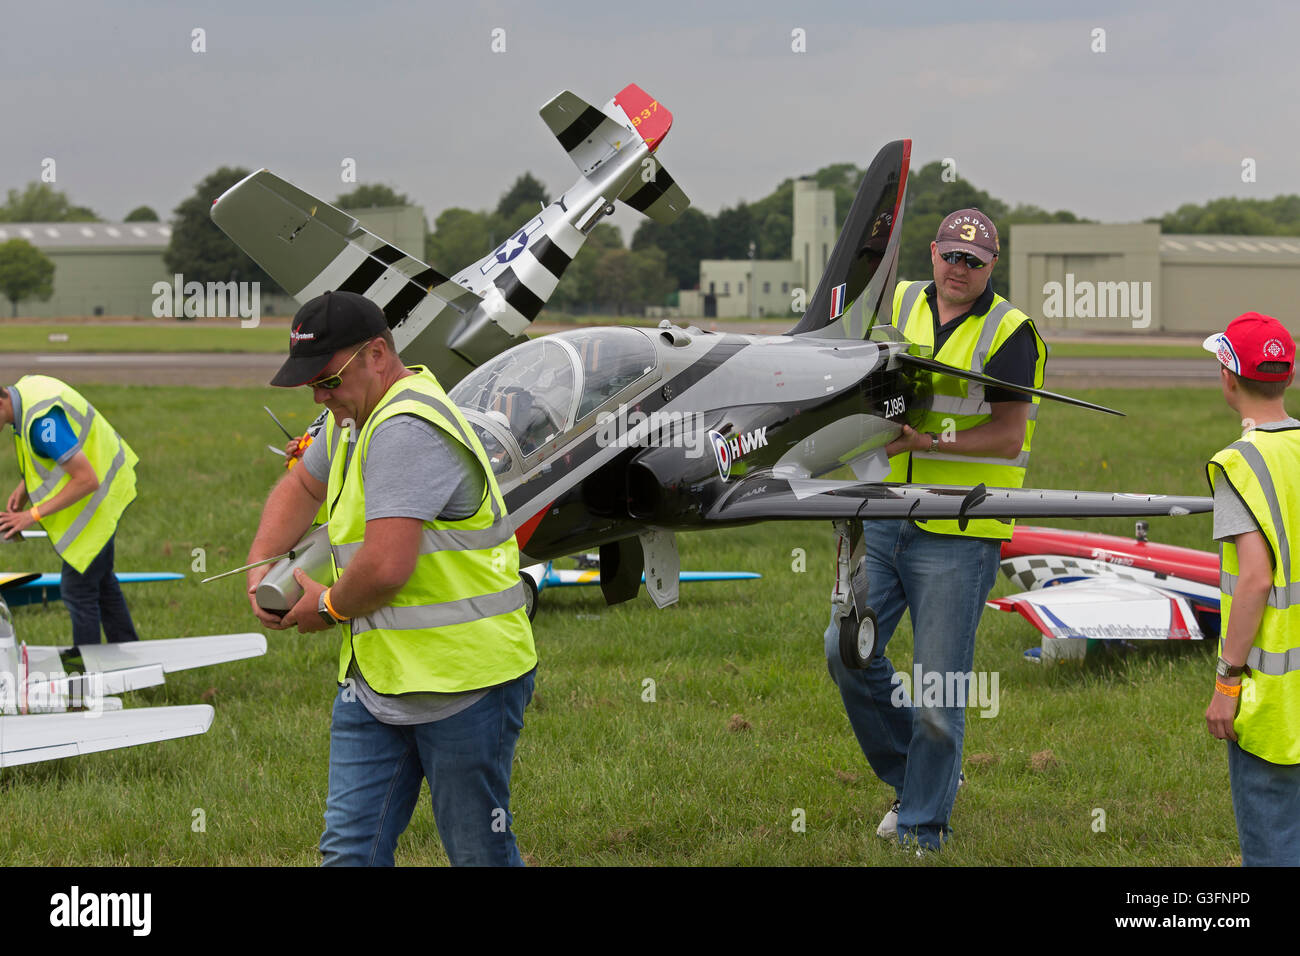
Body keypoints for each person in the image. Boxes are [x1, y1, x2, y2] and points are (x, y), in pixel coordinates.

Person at [245, 290, 538, 867]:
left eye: (328, 380)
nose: (321, 397)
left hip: (465, 683)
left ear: (377, 354)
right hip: (376, 683)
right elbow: (303, 485)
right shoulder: (352, 420)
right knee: (349, 851)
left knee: (479, 851)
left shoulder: (405, 427)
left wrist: (325, 608)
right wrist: (261, 563)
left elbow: (384, 568)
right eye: (311, 387)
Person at [824, 208, 1045, 851]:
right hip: (891, 515)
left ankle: (923, 827)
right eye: (952, 255)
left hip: (962, 526)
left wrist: (934, 436)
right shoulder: (896, 301)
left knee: (938, 690)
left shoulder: (1011, 331)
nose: (959, 268)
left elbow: (1008, 436)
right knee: (846, 651)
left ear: (991, 267)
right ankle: (922, 781)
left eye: (974, 262)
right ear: (933, 252)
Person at [1202, 311, 1300, 867]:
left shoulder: (1239, 464)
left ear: (1228, 377)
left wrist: (1227, 683)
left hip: (1274, 700)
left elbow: (1257, 579)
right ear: (1287, 376)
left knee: (1274, 841)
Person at [0, 377, 140, 647]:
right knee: (101, 583)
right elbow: (55, 452)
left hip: (98, 498)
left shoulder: (41, 422)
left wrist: (32, 515)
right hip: (106, 487)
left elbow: (86, 479)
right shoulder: (27, 390)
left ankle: (82, 680)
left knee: (77, 591)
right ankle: (130, 656)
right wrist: (25, 488)